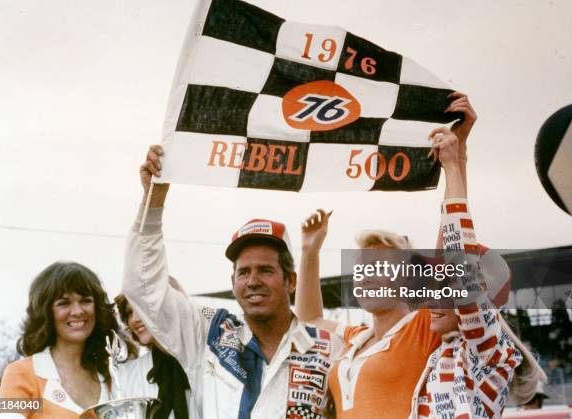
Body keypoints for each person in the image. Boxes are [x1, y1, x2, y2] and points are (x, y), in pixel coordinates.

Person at [121, 148, 344, 419]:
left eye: (265, 270)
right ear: (233, 281)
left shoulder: (328, 348)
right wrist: (152, 201)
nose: (252, 281)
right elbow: (143, 289)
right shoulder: (209, 333)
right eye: (243, 272)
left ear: (291, 281)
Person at [294, 92, 476, 419]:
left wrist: (455, 161)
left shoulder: (421, 327)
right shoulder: (353, 339)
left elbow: (452, 248)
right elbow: (308, 323)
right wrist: (310, 252)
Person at [409, 127, 540, 418]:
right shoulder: (448, 351)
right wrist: (457, 157)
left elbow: (458, 255)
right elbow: (450, 245)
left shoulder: (487, 350)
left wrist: (454, 165)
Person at [0, 262, 133, 418]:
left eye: (86, 301)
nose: (77, 311)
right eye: (64, 303)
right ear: (46, 312)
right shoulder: (20, 373)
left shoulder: (111, 376)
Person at [115, 291, 194, 419]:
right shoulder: (126, 375)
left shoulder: (204, 361)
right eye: (129, 312)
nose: (135, 319)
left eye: (142, 308)